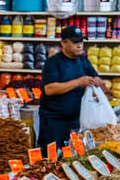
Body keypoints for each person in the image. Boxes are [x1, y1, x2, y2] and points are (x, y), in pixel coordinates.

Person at [38, 25, 106, 153]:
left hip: (76, 121)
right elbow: (50, 89)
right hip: (54, 122)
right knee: (50, 159)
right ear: (63, 43)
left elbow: (97, 79)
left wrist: (98, 82)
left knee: (73, 157)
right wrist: (78, 82)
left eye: (81, 41)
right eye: (75, 42)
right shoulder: (53, 63)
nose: (80, 45)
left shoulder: (83, 61)